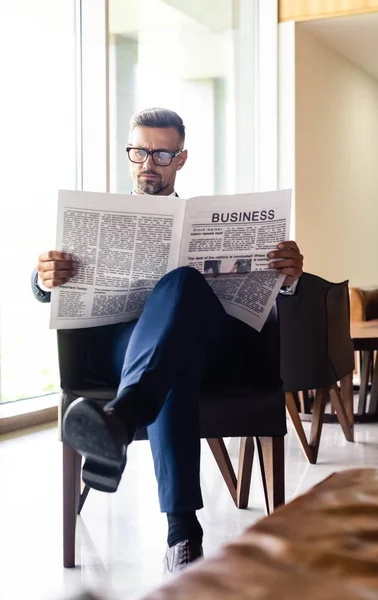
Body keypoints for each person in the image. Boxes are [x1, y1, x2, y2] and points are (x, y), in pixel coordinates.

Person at [32, 108, 304, 573]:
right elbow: (45, 282)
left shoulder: (203, 218)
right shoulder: (100, 219)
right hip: (127, 347)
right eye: (139, 151)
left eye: (161, 153)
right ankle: (182, 536)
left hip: (215, 345)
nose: (147, 164)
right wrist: (43, 279)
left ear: (180, 159)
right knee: (171, 365)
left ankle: (124, 418)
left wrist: (291, 277)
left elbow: (274, 291)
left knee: (182, 289)